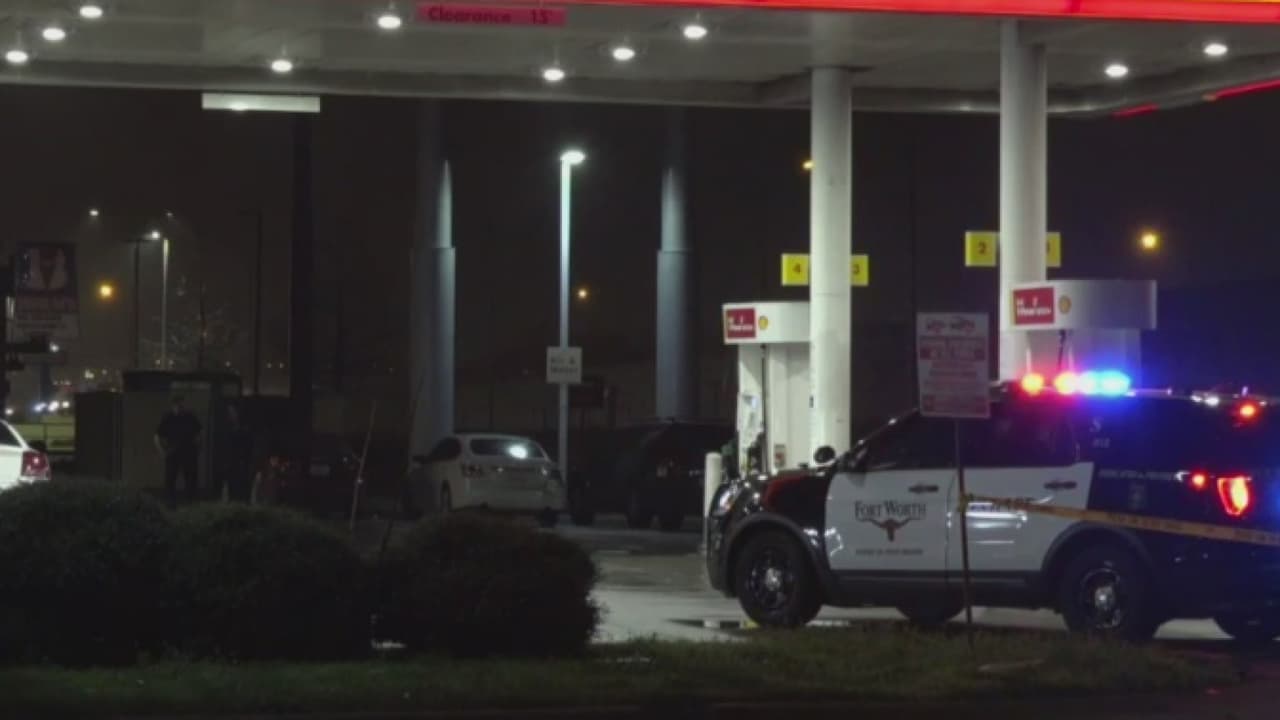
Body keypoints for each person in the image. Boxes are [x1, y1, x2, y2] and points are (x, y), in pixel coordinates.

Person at [155, 396, 202, 507]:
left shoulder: (190, 416)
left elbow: (199, 433)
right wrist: (161, 451)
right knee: (170, 479)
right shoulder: (168, 417)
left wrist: (198, 447)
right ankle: (170, 503)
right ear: (173, 406)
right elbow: (157, 436)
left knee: (190, 480)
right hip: (173, 453)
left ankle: (190, 502)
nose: (180, 408)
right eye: (178, 405)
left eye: (181, 405)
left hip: (188, 453)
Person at [220, 404, 254, 503]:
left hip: (242, 458)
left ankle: (243, 500)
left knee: (242, 480)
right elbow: (226, 443)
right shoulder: (227, 426)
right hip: (231, 459)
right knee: (231, 480)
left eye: (232, 412)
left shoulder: (244, 427)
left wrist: (244, 457)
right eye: (229, 412)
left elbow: (247, 444)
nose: (231, 415)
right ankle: (232, 499)